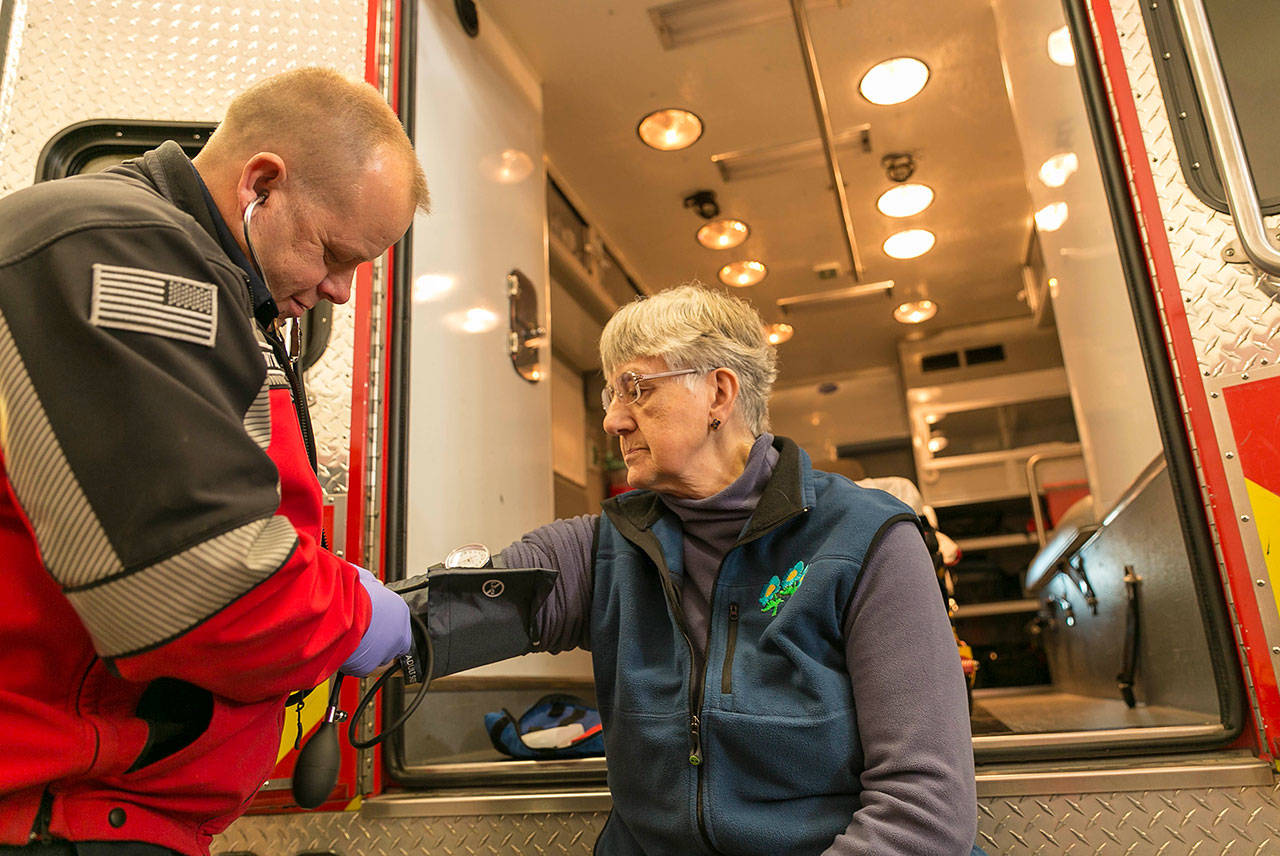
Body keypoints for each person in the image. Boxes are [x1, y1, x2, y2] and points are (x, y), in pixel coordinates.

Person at [0, 68, 426, 854]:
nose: (339, 290)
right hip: (54, 811)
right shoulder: (114, 246)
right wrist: (354, 614)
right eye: (333, 253)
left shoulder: (215, 286)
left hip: (108, 811)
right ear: (260, 184)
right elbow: (199, 583)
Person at [413, 284, 982, 854]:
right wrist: (354, 619)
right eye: (612, 395)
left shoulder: (866, 540)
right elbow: (430, 622)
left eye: (634, 389)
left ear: (718, 393)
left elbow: (923, 812)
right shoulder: (602, 551)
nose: (613, 420)